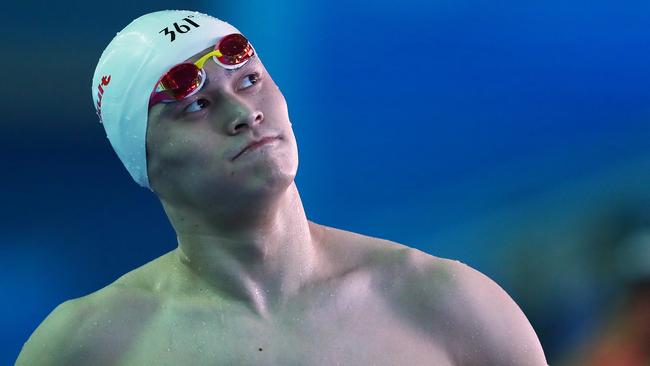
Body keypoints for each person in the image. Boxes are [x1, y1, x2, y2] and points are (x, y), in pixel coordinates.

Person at [16, 10, 548, 365]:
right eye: (196, 106)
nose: (244, 113)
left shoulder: (447, 302)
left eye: (249, 81)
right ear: (146, 160)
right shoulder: (89, 347)